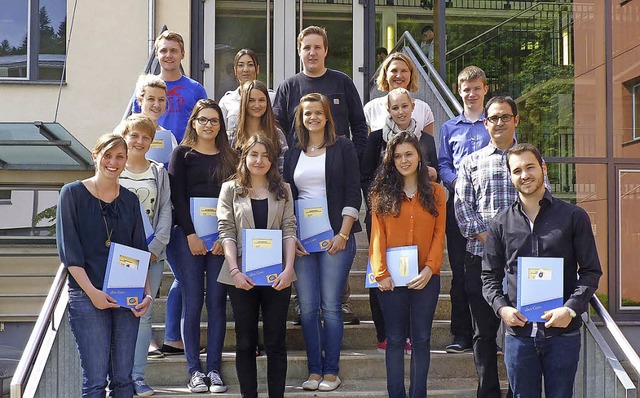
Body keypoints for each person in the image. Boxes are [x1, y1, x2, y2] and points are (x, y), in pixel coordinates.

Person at [482, 143, 602, 398]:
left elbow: (591, 271)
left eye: (530, 167)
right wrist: (502, 308)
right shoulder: (500, 223)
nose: (524, 175)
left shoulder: (573, 216)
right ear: (510, 176)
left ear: (543, 168)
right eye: (517, 170)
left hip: (562, 335)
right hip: (519, 336)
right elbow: (489, 277)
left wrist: (569, 309)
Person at [274, 25, 365, 324]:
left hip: (337, 178)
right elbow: (276, 130)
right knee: (304, 244)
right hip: (301, 176)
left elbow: (359, 125)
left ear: (325, 50)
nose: (311, 52)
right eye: (306, 47)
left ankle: (341, 301)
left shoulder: (342, 82)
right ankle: (304, 302)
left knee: (336, 242)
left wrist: (355, 161)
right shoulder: (288, 87)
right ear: (299, 51)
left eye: (317, 47)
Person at [56, 133, 151, 397]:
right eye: (107, 155)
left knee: (123, 379)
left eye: (120, 156)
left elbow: (140, 251)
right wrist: (93, 294)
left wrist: (148, 293)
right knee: (95, 380)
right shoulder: (72, 194)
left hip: (126, 296)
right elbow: (70, 253)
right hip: (88, 296)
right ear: (95, 156)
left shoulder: (131, 200)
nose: (113, 161)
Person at [283, 93, 362, 392]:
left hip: (334, 238)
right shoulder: (293, 153)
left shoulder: (343, 146)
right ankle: (314, 370)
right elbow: (287, 198)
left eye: (318, 112)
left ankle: (331, 371)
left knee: (330, 307)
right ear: (301, 118)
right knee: (307, 308)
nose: (312, 117)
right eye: (307, 113)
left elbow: (353, 191)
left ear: (327, 116)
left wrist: (343, 234)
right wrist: (291, 239)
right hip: (302, 241)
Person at [217, 134, 297, 398]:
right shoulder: (230, 189)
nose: (259, 160)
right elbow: (226, 230)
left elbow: (289, 229)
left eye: (265, 155)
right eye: (254, 154)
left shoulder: (283, 188)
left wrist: (288, 269)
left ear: (273, 159)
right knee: (245, 341)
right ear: (245, 157)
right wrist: (234, 271)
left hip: (277, 275)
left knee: (276, 342)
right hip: (241, 277)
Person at [360, 87, 438, 352]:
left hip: (417, 211)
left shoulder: (425, 140)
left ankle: (408, 334)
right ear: (388, 110)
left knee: (411, 275)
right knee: (381, 274)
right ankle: (385, 333)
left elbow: (434, 174)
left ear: (413, 106)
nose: (401, 112)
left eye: (405, 106)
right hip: (383, 211)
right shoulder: (376, 139)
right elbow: (365, 175)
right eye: (395, 108)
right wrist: (376, 204)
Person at [369, 131, 446, 398]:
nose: (404, 160)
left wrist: (430, 268)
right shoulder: (381, 194)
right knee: (395, 341)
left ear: (419, 157)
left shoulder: (436, 193)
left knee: (422, 340)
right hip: (391, 280)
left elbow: (439, 234)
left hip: (426, 276)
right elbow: (377, 237)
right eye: (398, 156)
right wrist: (381, 274)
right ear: (391, 160)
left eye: (409, 154)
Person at [168, 99, 237, 393]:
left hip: (222, 242)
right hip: (189, 240)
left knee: (217, 304)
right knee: (193, 302)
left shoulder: (230, 157)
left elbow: (235, 200)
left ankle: (214, 369)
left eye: (214, 120)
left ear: (220, 125)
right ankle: (194, 370)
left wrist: (225, 238)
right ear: (193, 122)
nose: (209, 125)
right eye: (203, 119)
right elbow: (178, 198)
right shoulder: (182, 154)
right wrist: (190, 234)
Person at [454, 95, 521, 398]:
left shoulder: (529, 161)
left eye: (505, 117)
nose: (499, 123)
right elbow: (463, 211)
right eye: (493, 118)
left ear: (515, 120)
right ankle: (489, 392)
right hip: (481, 260)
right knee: (484, 333)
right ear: (485, 123)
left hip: (523, 263)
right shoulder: (471, 162)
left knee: (519, 331)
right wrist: (494, 244)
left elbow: (541, 205)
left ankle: (517, 391)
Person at [117, 114, 172, 396]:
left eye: (145, 137)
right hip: (117, 256)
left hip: (150, 255)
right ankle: (117, 377)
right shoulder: (113, 168)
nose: (139, 141)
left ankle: (137, 377)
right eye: (134, 136)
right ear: (125, 136)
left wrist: (153, 249)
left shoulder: (158, 172)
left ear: (152, 141)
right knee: (116, 314)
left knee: (144, 316)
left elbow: (165, 212)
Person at [437, 65, 490, 355]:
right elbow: (442, 163)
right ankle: (461, 334)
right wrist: (456, 182)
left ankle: (488, 333)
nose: (471, 93)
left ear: (485, 90)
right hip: (457, 206)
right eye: (465, 89)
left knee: (487, 272)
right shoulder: (449, 128)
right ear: (459, 90)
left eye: (476, 88)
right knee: (459, 273)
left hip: (489, 207)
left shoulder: (493, 122)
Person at [148, 30, 207, 142]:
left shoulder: (196, 89)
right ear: (156, 53)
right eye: (163, 51)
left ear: (182, 54)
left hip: (187, 154)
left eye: (174, 51)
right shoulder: (146, 88)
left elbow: (205, 123)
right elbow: (135, 122)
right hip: (152, 152)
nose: (168, 55)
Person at [363, 52, 435, 135]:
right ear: (385, 74)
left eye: (404, 71)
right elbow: (365, 146)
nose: (399, 75)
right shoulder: (371, 109)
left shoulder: (424, 109)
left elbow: (428, 146)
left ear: (411, 74)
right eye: (394, 71)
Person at [230, 80, 288, 173]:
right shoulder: (233, 135)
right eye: (251, 100)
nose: (257, 105)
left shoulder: (277, 134)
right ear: (244, 102)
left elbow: (283, 170)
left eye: (261, 100)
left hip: (271, 186)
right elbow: (229, 168)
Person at [219, 49, 275, 136]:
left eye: (250, 65)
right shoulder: (226, 100)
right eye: (241, 65)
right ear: (235, 70)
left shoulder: (271, 98)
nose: (246, 69)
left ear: (258, 69)